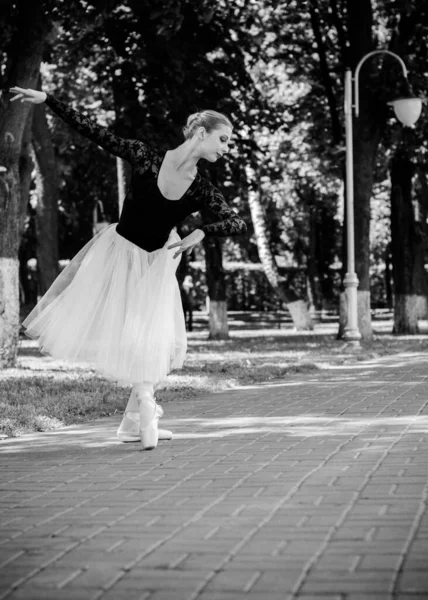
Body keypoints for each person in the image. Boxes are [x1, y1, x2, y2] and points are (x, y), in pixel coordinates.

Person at [9, 86, 247, 450]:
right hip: (118, 253)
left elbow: (236, 222)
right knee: (134, 335)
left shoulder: (201, 187)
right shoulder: (144, 155)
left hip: (157, 263)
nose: (226, 148)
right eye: (223, 139)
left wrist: (202, 230)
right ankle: (146, 407)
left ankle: (134, 421)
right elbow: (93, 130)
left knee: (148, 337)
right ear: (201, 132)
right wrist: (49, 101)